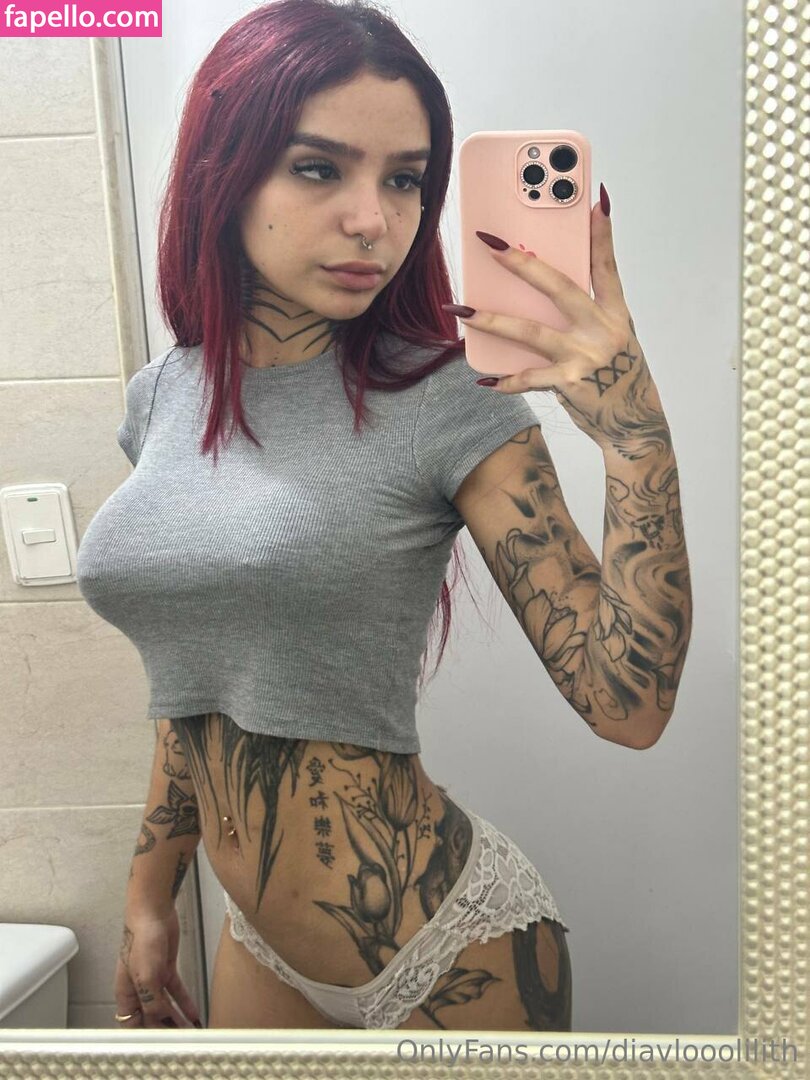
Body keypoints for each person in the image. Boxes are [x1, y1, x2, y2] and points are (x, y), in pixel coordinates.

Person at [76, 0, 691, 1033]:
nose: (374, 219)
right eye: (320, 168)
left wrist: (635, 437)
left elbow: (626, 705)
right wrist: (149, 895)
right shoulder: (165, 396)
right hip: (258, 941)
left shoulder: (446, 398)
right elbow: (195, 681)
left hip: (448, 949)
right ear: (225, 174)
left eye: (405, 179)